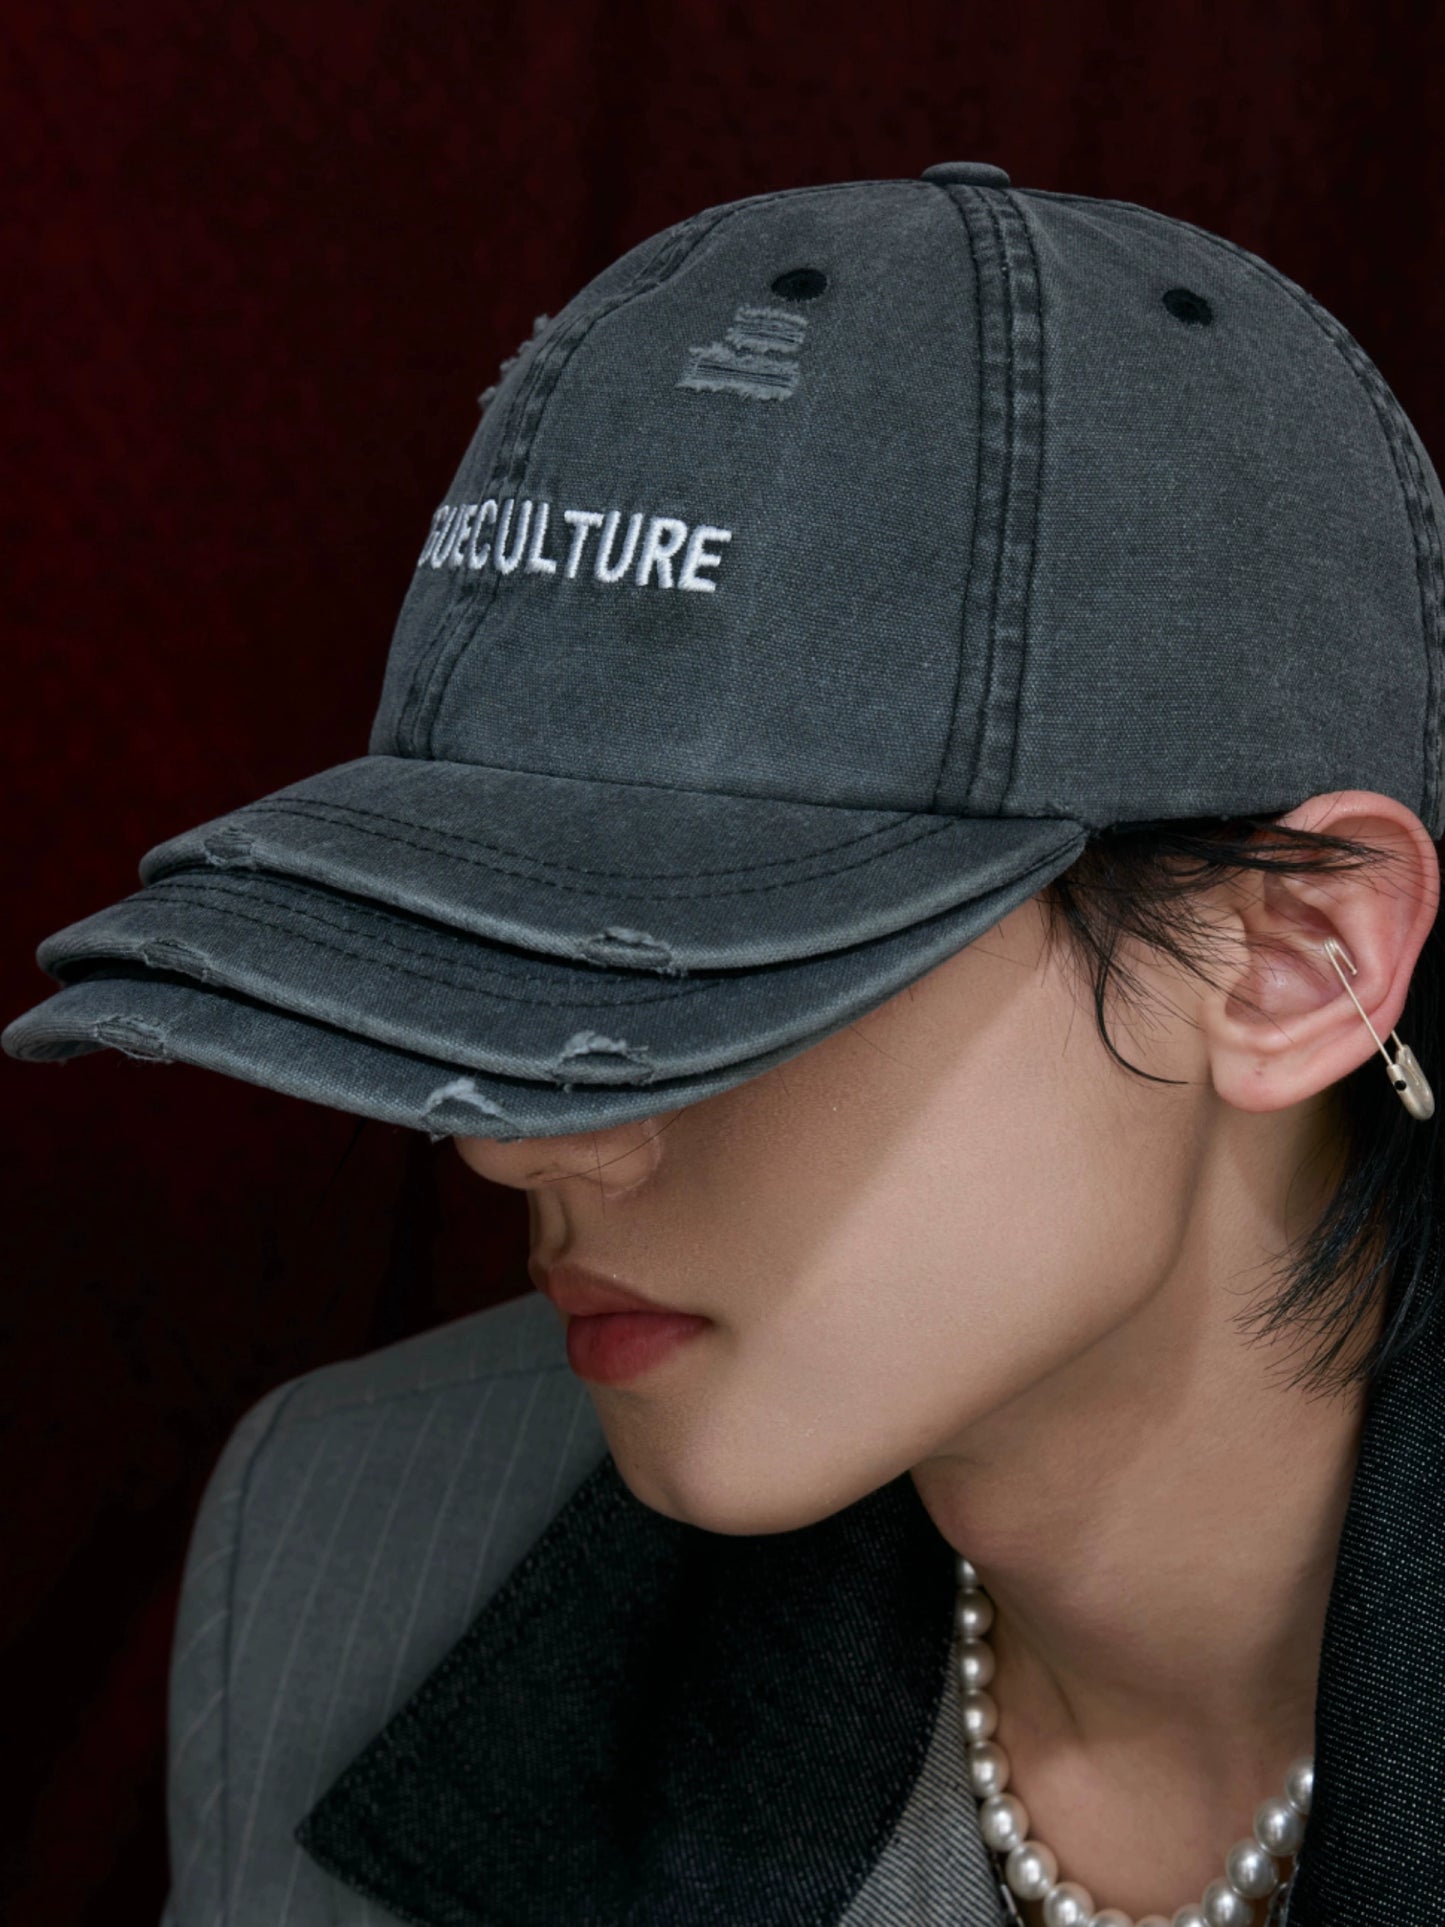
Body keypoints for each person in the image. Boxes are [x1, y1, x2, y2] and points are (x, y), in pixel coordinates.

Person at [6, 160, 1443, 1927]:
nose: (515, 1138)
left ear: (1291, 962)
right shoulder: (345, 1551)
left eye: (734, 961)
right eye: (478, 950)